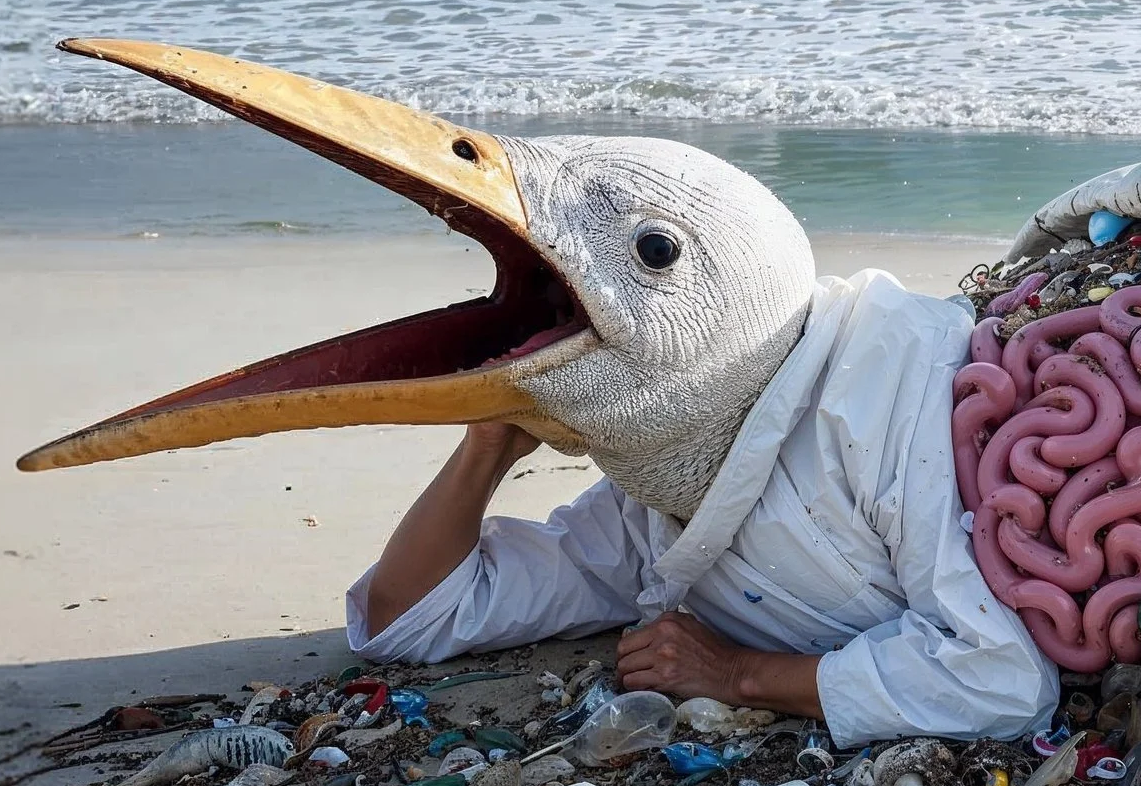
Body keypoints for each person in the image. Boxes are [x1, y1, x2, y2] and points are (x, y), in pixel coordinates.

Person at [348, 263, 1057, 747]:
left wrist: (735, 674)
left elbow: (1005, 682)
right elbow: (407, 616)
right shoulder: (649, 509)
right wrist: (488, 445)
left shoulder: (878, 399)